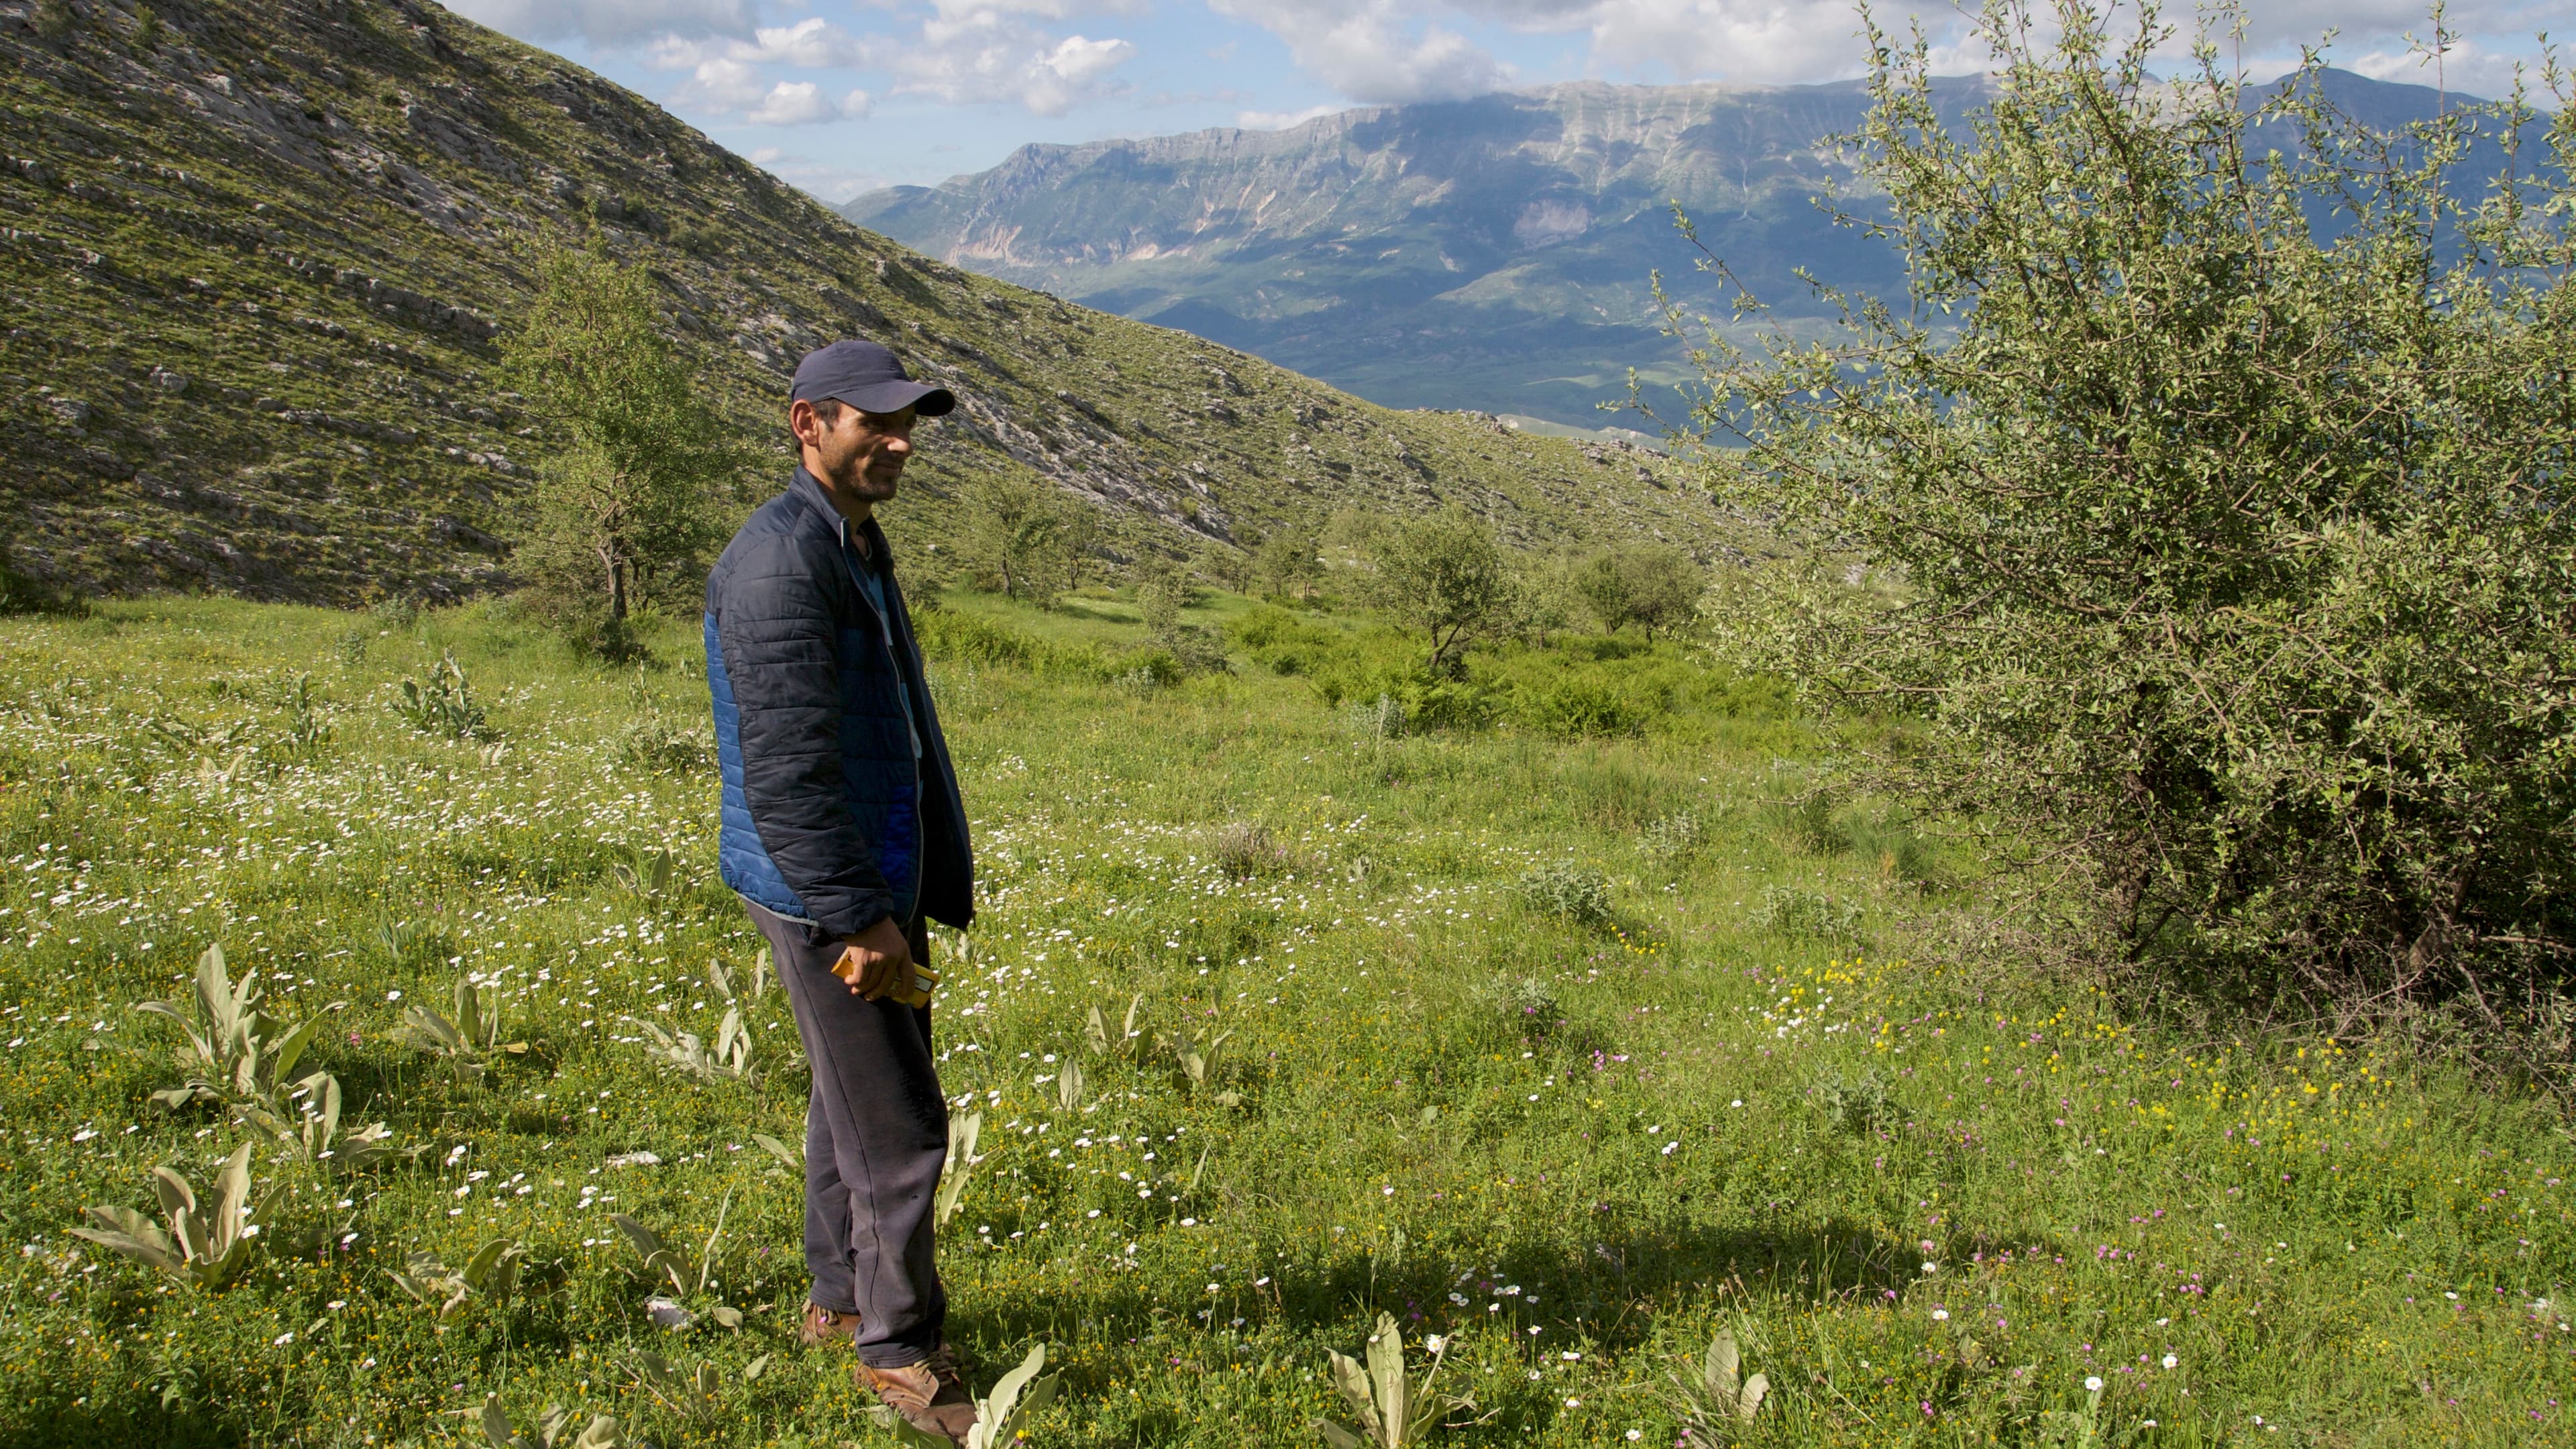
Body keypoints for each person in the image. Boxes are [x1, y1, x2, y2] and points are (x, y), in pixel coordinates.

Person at [703, 339, 979, 1444]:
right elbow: (786, 772)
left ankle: (841, 1301)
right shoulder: (781, 564)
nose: (900, 443)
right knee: (901, 1124)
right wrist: (857, 917)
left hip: (871, 870)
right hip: (833, 888)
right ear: (807, 423)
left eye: (908, 424)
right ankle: (900, 1354)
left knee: (851, 1103)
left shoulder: (851, 541)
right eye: (876, 423)